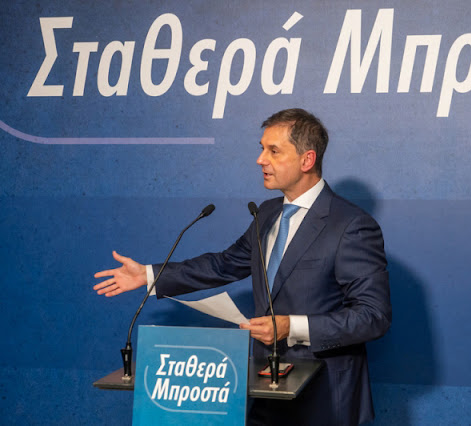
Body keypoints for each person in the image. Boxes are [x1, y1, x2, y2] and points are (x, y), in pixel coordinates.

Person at [93, 108, 392, 426]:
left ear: (307, 160)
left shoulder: (351, 225)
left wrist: (292, 326)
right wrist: (149, 275)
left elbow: (373, 317)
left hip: (326, 396)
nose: (260, 160)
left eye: (273, 151)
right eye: (262, 149)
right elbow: (224, 265)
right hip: (266, 389)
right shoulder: (267, 213)